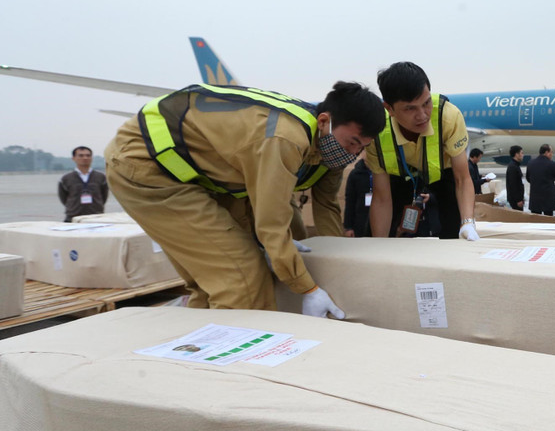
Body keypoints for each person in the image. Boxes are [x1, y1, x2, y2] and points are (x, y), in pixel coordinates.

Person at [104, 81, 384, 316]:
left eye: (362, 147)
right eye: (352, 142)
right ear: (324, 121)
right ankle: (237, 360)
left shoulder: (325, 146)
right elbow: (272, 226)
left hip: (204, 176)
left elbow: (325, 209)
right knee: (241, 277)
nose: (353, 154)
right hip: (149, 167)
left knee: (217, 280)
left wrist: (335, 266)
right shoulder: (285, 139)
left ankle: (197, 343)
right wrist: (308, 289)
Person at [367, 62, 478, 240]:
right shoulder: (377, 130)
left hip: (444, 174)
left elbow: (462, 179)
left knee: (454, 228)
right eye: (410, 108)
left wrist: (468, 222)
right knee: (380, 234)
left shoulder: (449, 116)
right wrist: (379, 244)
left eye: (426, 103)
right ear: (389, 109)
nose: (422, 115)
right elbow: (381, 197)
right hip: (399, 176)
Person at [58, 146, 109, 222]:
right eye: (81, 155)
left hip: (96, 217)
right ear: (73, 158)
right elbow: (63, 198)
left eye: (88, 155)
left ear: (91, 158)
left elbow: (104, 196)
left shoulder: (101, 177)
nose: (85, 158)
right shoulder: (66, 178)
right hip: (73, 217)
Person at [526, 143, 555, 215]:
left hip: (535, 197)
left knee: (535, 218)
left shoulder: (530, 163)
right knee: (548, 218)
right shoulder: (551, 164)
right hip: (548, 198)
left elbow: (528, 178)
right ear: (546, 152)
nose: (552, 154)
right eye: (551, 152)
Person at [343, 153, 373, 237]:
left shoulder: (385, 174)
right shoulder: (355, 174)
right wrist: (348, 227)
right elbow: (350, 201)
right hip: (360, 223)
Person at [505, 144, 525, 211]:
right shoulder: (513, 167)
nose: (523, 155)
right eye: (521, 153)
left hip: (517, 199)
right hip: (516, 200)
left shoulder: (515, 165)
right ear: (516, 154)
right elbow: (513, 185)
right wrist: (518, 200)